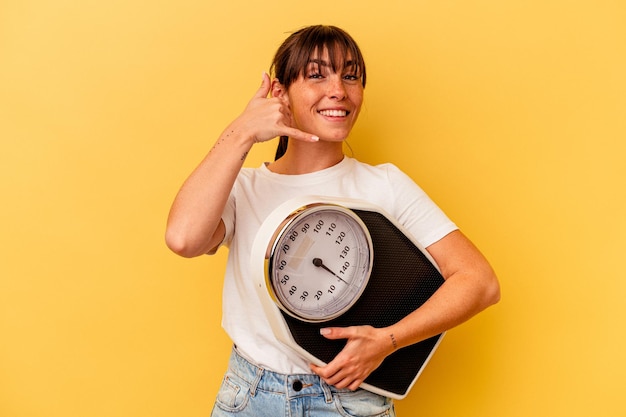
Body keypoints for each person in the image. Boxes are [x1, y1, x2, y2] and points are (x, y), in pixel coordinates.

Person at [166, 25, 500, 417]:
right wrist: (242, 131)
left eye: (351, 75)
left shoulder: (384, 186)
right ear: (280, 94)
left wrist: (387, 341)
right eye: (317, 74)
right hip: (250, 397)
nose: (339, 89)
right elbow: (183, 239)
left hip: (350, 402)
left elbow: (480, 282)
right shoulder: (243, 187)